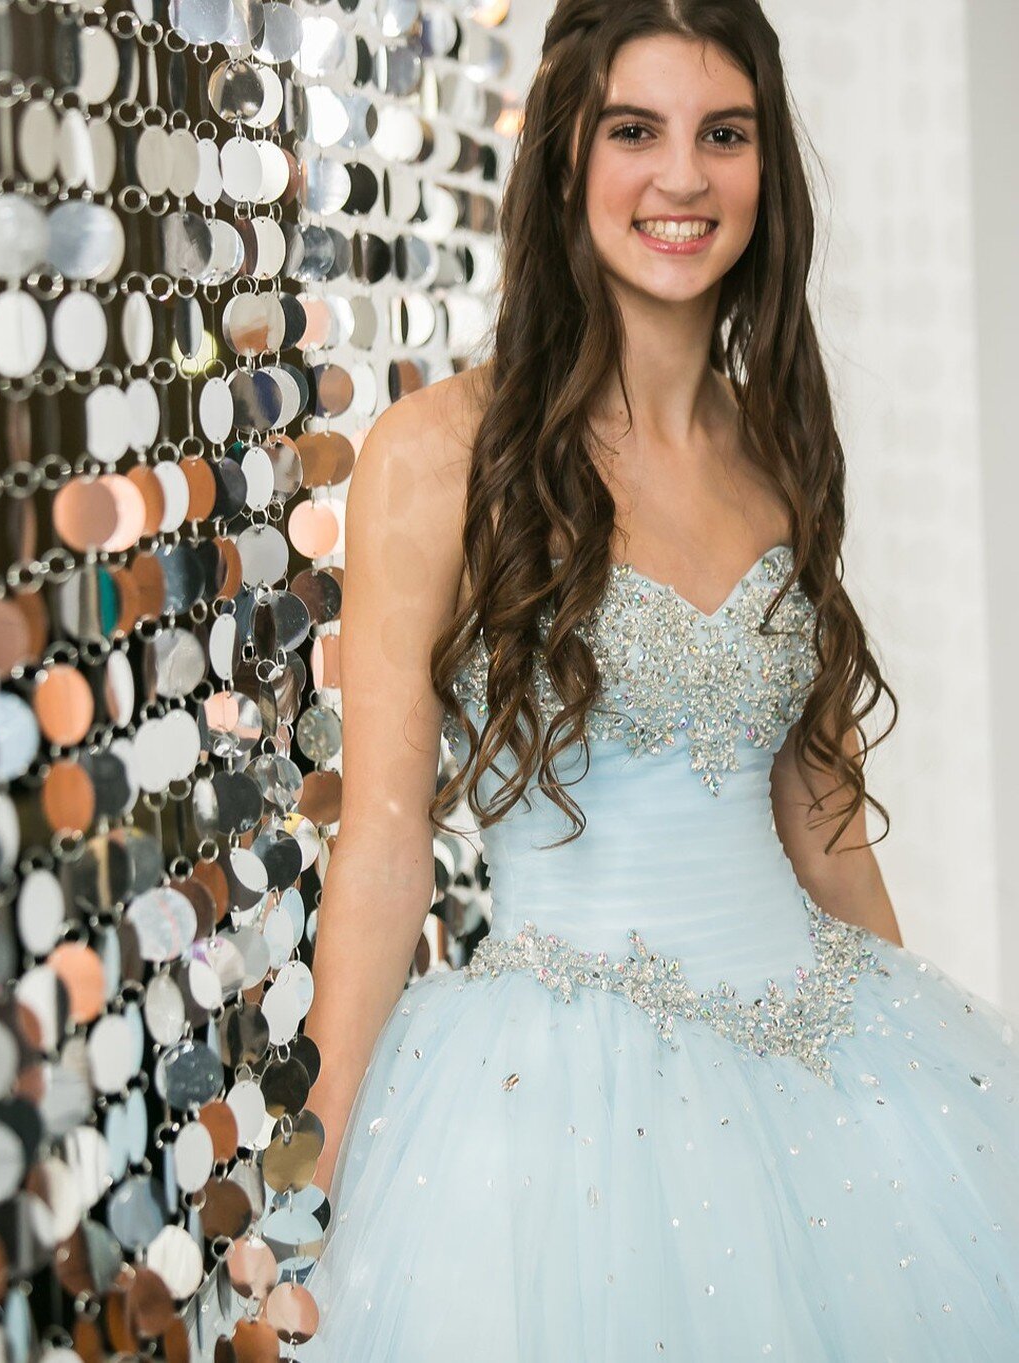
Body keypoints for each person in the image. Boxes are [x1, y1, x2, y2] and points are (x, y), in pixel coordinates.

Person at [297, 1, 1019, 1357]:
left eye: (724, 134)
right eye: (637, 130)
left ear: (767, 170)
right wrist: (316, 1175)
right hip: (555, 1106)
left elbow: (824, 817)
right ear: (569, 150)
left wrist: (926, 1105)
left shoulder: (783, 445)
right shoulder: (439, 452)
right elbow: (385, 847)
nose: (683, 178)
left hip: (819, 1048)